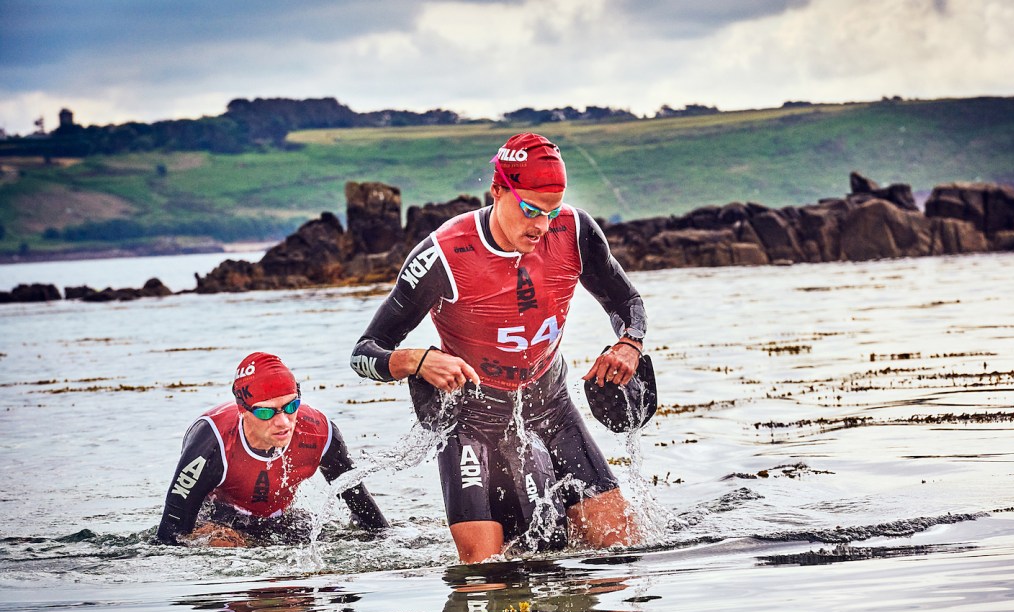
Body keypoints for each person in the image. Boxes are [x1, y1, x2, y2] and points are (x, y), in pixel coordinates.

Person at [350, 132, 648, 563]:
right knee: (483, 578)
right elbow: (365, 352)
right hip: (469, 419)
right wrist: (417, 361)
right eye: (530, 210)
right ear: (497, 191)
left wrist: (629, 344)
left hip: (551, 408)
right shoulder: (444, 255)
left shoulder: (576, 230)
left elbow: (628, 302)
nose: (541, 226)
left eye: (551, 211)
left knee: (621, 557)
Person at [156, 351, 388, 546]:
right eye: (267, 412)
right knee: (224, 543)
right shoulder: (211, 443)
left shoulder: (321, 433)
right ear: (242, 410)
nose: (284, 422)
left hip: (279, 520)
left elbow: (367, 516)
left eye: (291, 406)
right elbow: (170, 535)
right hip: (220, 518)